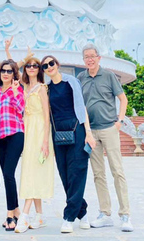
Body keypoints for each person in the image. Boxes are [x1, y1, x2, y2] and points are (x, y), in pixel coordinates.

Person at [77, 43, 133, 232]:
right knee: (98, 174)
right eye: (86, 56)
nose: (89, 59)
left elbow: (122, 98)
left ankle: (125, 215)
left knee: (117, 170)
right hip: (91, 132)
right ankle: (105, 213)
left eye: (92, 56)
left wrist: (120, 121)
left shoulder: (108, 75)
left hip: (109, 128)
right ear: (83, 60)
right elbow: (79, 105)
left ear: (99, 58)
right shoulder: (81, 78)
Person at [40, 55, 96, 233]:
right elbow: (47, 116)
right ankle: (83, 212)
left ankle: (69, 217)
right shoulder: (47, 88)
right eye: (45, 66)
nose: (49, 67)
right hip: (58, 135)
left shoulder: (70, 81)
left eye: (51, 63)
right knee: (65, 175)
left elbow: (81, 107)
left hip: (76, 131)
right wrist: (46, 141)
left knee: (77, 173)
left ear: (57, 64)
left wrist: (88, 132)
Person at [4, 39, 54, 233]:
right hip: (25, 130)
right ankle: (39, 216)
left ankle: (24, 215)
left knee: (33, 171)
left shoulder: (42, 88)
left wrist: (45, 142)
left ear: (39, 69)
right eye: (29, 66)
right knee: (31, 170)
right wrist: (8, 51)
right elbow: (12, 68)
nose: (32, 68)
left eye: (35, 65)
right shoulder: (22, 85)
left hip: (39, 130)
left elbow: (46, 115)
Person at [0, 59, 25, 231]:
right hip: (1, 137)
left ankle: (10, 215)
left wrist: (13, 92)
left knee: (8, 173)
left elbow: (20, 108)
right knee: (7, 176)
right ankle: (17, 211)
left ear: (14, 74)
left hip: (15, 134)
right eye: (3, 71)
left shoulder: (17, 89)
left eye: (9, 71)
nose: (6, 73)